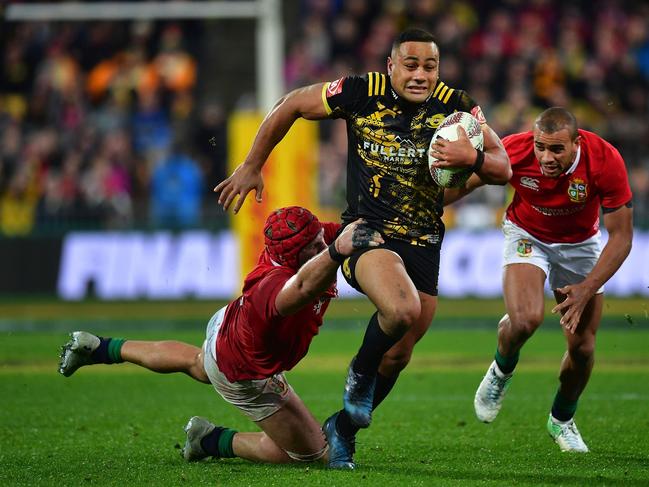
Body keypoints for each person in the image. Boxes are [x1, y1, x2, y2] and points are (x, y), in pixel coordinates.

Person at [214, 28, 511, 468]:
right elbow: (294, 102)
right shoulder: (360, 92)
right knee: (401, 309)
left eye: (430, 66)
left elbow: (502, 167)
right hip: (367, 234)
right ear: (390, 65)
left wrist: (473, 160)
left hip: (425, 240)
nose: (420, 74)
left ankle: (342, 431)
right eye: (410, 65)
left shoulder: (457, 108)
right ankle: (358, 372)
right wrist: (253, 163)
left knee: (399, 353)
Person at [58, 206, 383, 465]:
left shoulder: (300, 240)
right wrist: (337, 251)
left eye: (319, 240)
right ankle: (210, 440)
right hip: (246, 372)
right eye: (313, 247)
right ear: (290, 257)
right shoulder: (274, 286)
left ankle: (101, 348)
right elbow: (301, 287)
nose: (321, 245)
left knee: (200, 363)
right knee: (314, 454)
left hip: (228, 331)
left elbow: (339, 232)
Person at [446, 107, 633, 452]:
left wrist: (586, 288)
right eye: (540, 147)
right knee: (526, 319)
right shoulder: (515, 149)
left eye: (557, 150)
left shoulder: (605, 160)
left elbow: (622, 238)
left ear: (577, 143)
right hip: (526, 235)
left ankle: (562, 419)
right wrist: (424, 202)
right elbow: (466, 183)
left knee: (583, 348)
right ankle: (501, 372)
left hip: (580, 246)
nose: (546, 157)